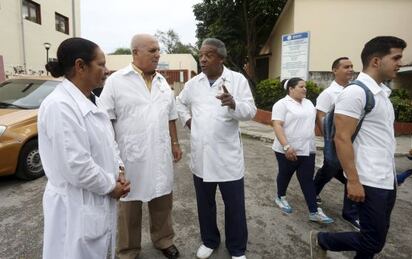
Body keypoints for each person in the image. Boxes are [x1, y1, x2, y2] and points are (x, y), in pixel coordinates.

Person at [310, 36, 407, 259]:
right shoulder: (356, 92)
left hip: (385, 179)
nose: (400, 63)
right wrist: (353, 181)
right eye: (396, 57)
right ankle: (321, 239)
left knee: (373, 237)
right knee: (373, 241)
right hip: (368, 179)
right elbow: (341, 138)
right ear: (376, 61)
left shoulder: (381, 94)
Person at [38, 37, 130, 259]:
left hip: (95, 199)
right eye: (101, 64)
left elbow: (109, 143)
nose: (106, 71)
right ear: (80, 66)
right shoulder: (60, 106)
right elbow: (76, 165)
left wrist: (119, 170)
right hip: (76, 205)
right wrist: (111, 186)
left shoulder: (91, 100)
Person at [99, 34, 182, 259]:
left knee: (162, 200)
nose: (158, 54)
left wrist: (175, 143)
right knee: (129, 206)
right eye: (152, 50)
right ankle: (128, 250)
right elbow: (105, 121)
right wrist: (110, 156)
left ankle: (164, 240)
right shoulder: (116, 82)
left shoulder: (162, 82)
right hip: (129, 156)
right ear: (135, 52)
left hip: (160, 153)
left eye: (158, 50)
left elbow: (171, 116)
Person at [176, 38, 256, 259]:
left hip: (227, 158)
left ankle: (237, 248)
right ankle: (210, 240)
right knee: (205, 204)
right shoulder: (194, 84)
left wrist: (233, 104)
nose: (202, 59)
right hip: (201, 157)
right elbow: (179, 102)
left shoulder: (237, 80)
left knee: (235, 206)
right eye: (201, 54)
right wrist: (188, 121)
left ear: (221, 58)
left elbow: (250, 111)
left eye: (208, 54)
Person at [271, 77, 333, 224]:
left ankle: (314, 211)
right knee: (285, 174)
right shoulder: (282, 104)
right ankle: (280, 197)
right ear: (291, 89)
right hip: (287, 149)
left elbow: (314, 122)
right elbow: (277, 125)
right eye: (301, 86)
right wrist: (286, 146)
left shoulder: (309, 103)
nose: (305, 89)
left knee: (307, 180)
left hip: (307, 149)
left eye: (305, 86)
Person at [313, 57, 359, 229]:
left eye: (352, 67)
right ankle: (313, 191)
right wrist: (329, 141)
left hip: (352, 141)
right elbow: (321, 117)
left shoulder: (355, 90)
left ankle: (350, 211)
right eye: (346, 67)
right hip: (334, 141)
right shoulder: (328, 94)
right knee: (330, 168)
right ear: (334, 70)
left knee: (348, 172)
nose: (350, 70)